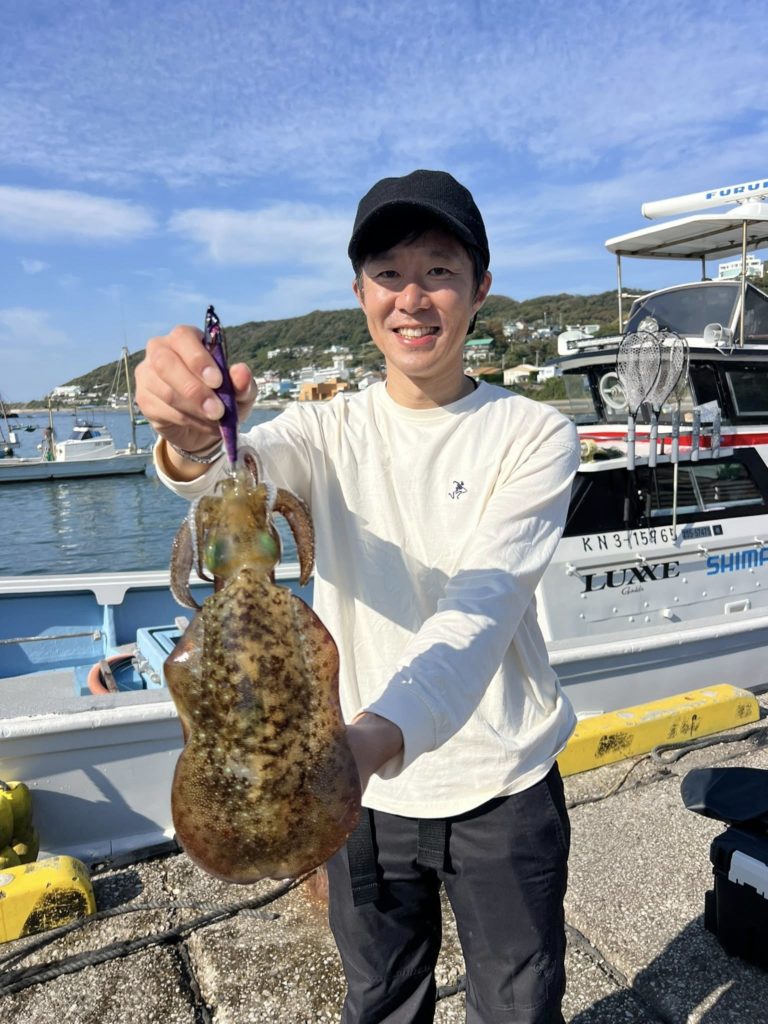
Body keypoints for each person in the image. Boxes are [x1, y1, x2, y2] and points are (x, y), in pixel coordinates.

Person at [135, 168, 581, 1024]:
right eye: (388, 273)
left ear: (480, 287)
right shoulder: (322, 430)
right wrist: (190, 437)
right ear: (360, 294)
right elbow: (235, 479)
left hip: (501, 781)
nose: (412, 297)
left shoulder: (534, 433)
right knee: (379, 1000)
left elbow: (482, 610)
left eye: (439, 270)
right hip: (361, 800)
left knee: (520, 1005)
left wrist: (361, 746)